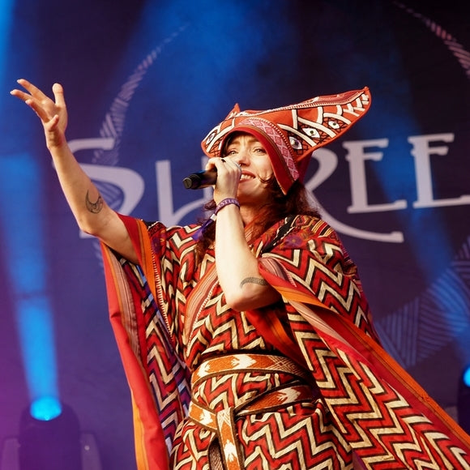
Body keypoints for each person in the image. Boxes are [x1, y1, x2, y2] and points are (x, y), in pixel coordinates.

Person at [11, 79, 470, 470]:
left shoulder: (305, 238)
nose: (241, 160)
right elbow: (96, 220)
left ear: (281, 172)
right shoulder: (188, 247)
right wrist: (58, 147)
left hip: (288, 431)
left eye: (257, 151)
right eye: (232, 151)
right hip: (204, 437)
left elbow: (244, 290)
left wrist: (227, 201)